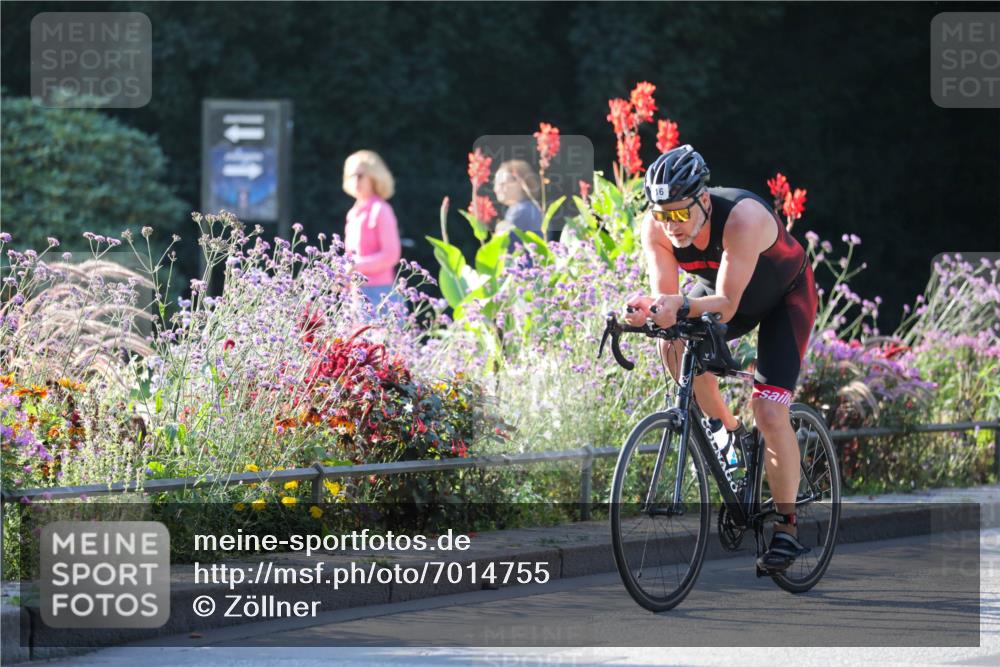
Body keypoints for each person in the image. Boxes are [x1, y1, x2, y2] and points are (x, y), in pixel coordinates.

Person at [624, 144, 818, 573]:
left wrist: (675, 305)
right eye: (661, 214)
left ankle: (787, 527)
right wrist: (648, 311)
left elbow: (727, 305)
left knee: (769, 411)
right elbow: (668, 301)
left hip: (783, 300)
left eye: (679, 213)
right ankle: (727, 432)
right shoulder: (656, 226)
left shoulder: (744, 218)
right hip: (724, 296)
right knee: (670, 341)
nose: (670, 225)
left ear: (703, 200)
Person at [342, 150, 402, 306]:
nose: (355, 180)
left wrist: (355, 266)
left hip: (380, 292)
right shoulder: (353, 213)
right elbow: (349, 255)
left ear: (374, 177)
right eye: (351, 176)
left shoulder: (381, 210)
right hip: (355, 293)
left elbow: (391, 255)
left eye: (360, 175)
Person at [492, 159, 543, 236]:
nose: (496, 189)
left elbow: (505, 245)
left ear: (520, 182)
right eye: (495, 184)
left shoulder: (518, 211)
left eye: (502, 184)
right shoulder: (534, 208)